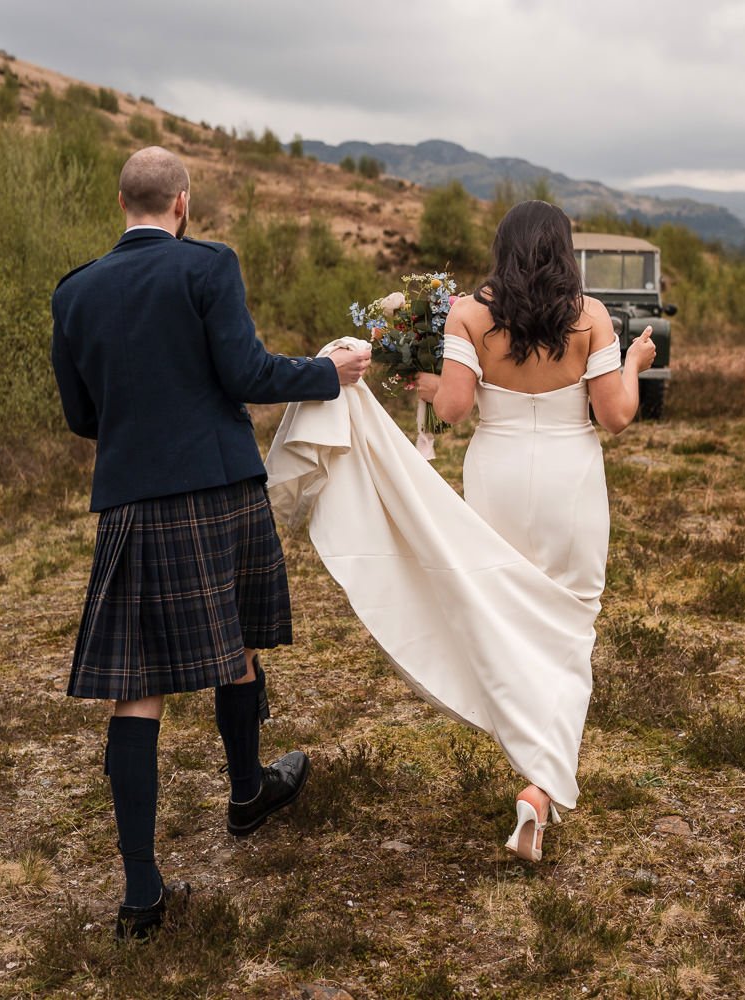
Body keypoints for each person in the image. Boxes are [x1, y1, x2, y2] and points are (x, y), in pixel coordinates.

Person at [50, 145, 370, 940]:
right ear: (181, 203)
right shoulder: (209, 267)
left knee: (139, 687)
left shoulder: (75, 292)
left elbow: (81, 416)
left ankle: (141, 893)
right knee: (234, 643)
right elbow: (248, 373)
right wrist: (330, 371)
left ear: (122, 202)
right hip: (218, 486)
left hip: (132, 498)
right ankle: (245, 793)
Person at [415, 200, 655, 859]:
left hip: (495, 476)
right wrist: (632, 361)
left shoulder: (468, 314)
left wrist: (427, 382)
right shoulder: (590, 318)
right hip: (568, 480)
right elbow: (616, 418)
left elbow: (455, 409)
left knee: (508, 619)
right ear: (564, 249)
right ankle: (538, 789)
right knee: (572, 625)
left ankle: (530, 766)